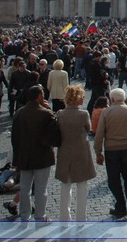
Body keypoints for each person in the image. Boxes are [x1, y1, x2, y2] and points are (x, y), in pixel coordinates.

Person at [94, 87, 127, 219]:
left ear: (112, 99)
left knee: (114, 179)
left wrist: (98, 152)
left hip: (111, 149)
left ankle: (120, 206)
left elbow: (99, 134)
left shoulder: (107, 112)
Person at [11, 85, 58, 221]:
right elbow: (54, 136)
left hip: (24, 156)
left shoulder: (19, 113)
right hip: (42, 156)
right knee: (41, 188)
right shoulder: (46, 113)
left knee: (25, 188)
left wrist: (16, 159)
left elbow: (14, 138)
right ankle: (40, 215)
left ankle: (25, 215)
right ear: (40, 96)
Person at [55, 85, 95, 221]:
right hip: (81, 152)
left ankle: (64, 218)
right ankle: (81, 218)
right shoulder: (84, 114)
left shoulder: (60, 114)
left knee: (65, 187)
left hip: (65, 151)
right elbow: (88, 128)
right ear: (78, 99)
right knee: (82, 187)